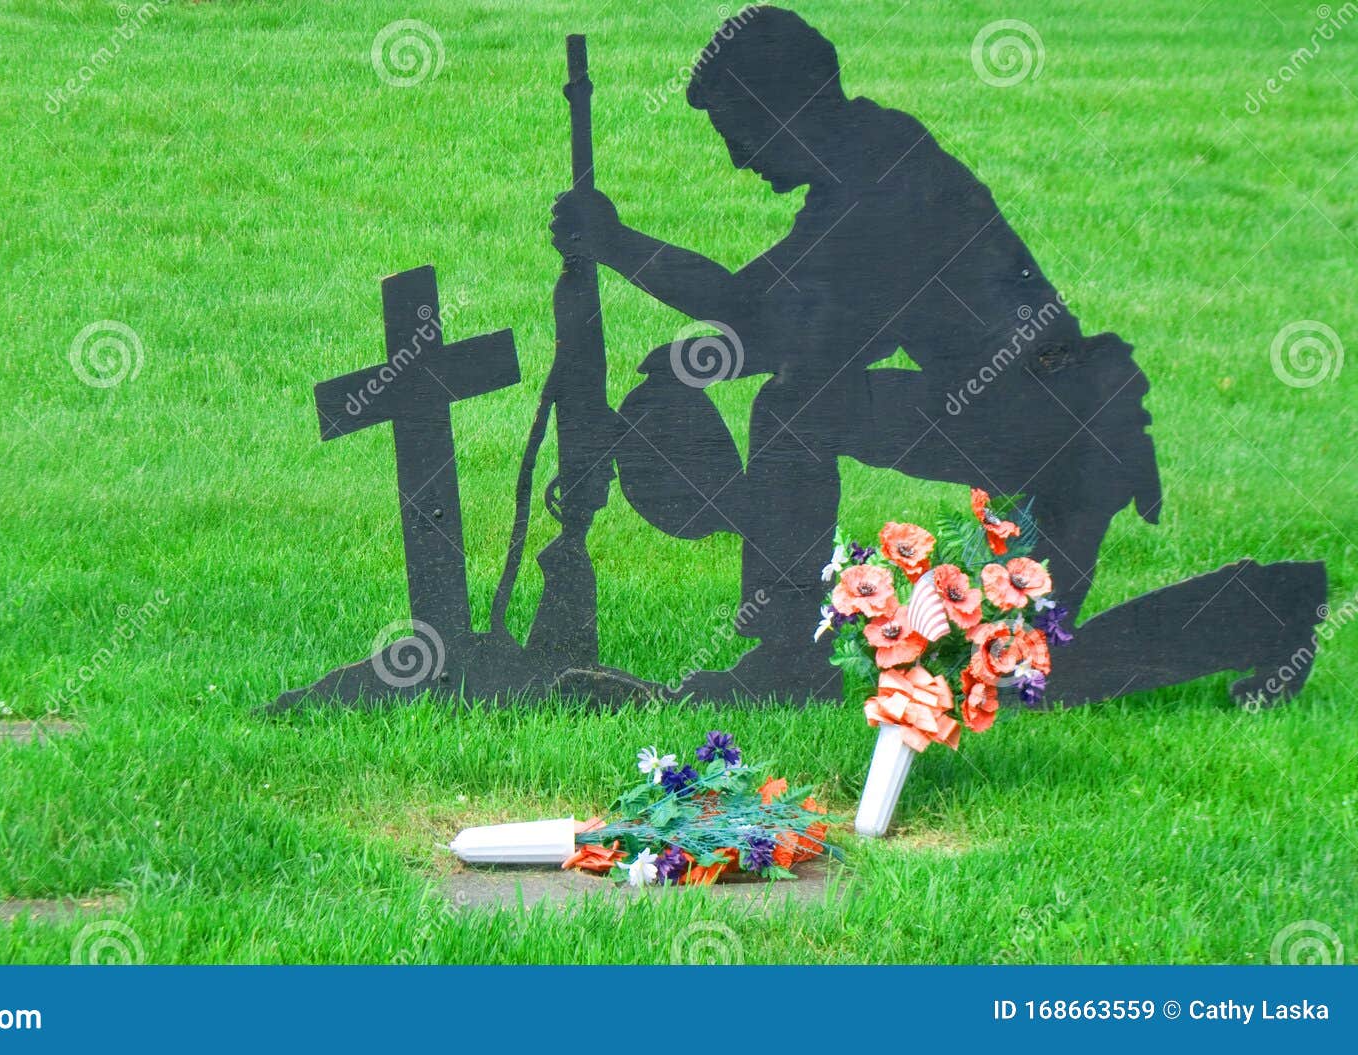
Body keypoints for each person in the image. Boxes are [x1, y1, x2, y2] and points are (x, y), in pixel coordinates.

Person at [550, 6, 1315, 704]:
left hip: (1055, 429)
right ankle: (788, 648)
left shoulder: (879, 184)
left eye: (738, 131)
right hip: (1025, 410)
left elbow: (766, 311)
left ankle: (1268, 606)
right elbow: (823, 328)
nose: (738, 160)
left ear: (783, 111)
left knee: (1018, 675)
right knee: (802, 411)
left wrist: (616, 244)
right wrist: (696, 360)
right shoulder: (869, 158)